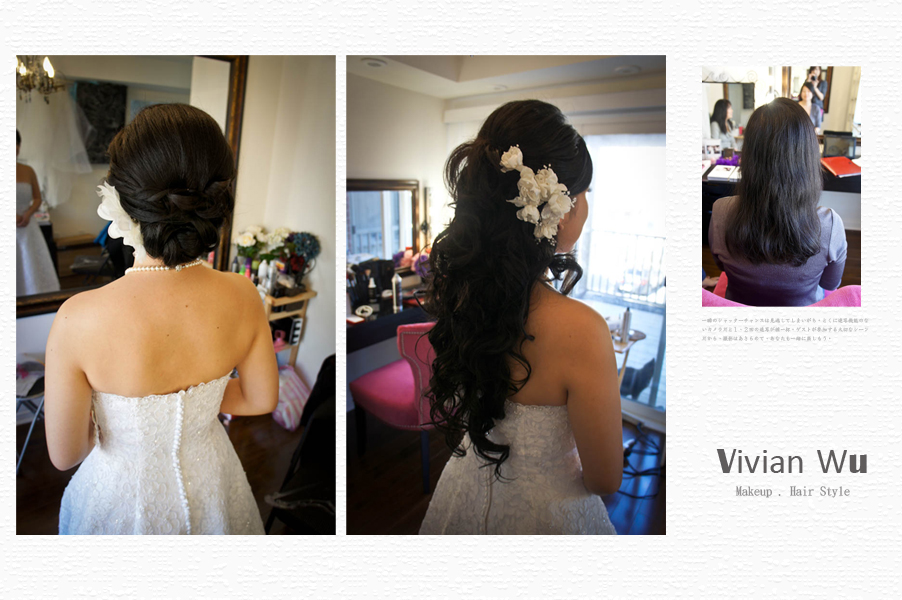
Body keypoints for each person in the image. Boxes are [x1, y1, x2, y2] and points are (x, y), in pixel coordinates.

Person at [45, 104, 280, 535]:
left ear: (120, 197)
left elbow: (66, 454)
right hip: (213, 483)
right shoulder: (244, 293)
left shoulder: (77, 318)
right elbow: (261, 399)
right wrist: (198, 404)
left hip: (119, 499)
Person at [418, 100, 623, 535]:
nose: (586, 205)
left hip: (464, 492)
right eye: (585, 192)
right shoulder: (583, 330)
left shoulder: (463, 292)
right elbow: (605, 479)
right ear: (561, 206)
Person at [707, 98, 847, 307]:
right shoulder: (830, 225)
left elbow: (722, 267)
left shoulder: (720, 212)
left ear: (749, 156)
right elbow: (830, 283)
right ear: (808, 158)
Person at [16, 130, 60, 296]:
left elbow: (37, 198)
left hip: (27, 224)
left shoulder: (28, 170)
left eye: (17, 144)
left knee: (30, 264)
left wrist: (28, 214)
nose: (15, 148)